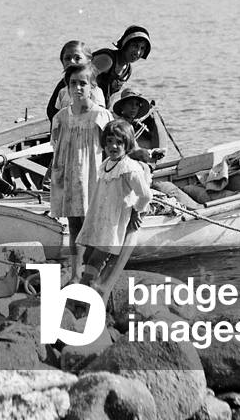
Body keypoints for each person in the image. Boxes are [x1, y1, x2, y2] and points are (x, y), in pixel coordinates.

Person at [49, 62, 113, 284]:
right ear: (67, 87)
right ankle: (76, 274)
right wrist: (53, 172)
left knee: (93, 224)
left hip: (92, 175)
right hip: (69, 175)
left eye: (83, 83)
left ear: (92, 87)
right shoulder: (62, 117)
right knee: (75, 225)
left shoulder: (100, 115)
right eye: (73, 83)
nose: (77, 88)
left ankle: (91, 273)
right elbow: (57, 148)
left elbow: (111, 148)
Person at [76, 120, 152, 288]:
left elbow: (145, 195)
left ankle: (84, 292)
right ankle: (89, 286)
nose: (114, 146)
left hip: (113, 222)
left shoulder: (129, 168)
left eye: (119, 142)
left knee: (96, 259)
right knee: (87, 256)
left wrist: (136, 211)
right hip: (99, 217)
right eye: (109, 141)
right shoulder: (106, 164)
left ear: (128, 144)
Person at [45, 40, 106, 121]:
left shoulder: (95, 91)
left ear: (89, 61)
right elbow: (55, 115)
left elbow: (100, 117)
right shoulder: (62, 91)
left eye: (77, 58)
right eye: (67, 58)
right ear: (62, 61)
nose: (72, 62)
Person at [91, 25, 151, 106]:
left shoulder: (127, 70)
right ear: (125, 45)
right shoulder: (107, 60)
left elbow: (110, 96)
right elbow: (80, 79)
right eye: (135, 46)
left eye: (142, 48)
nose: (138, 52)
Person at [112, 86, 166, 164]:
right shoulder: (120, 126)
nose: (134, 107)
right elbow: (129, 152)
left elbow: (134, 148)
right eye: (130, 104)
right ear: (122, 106)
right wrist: (148, 154)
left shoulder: (129, 125)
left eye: (137, 104)